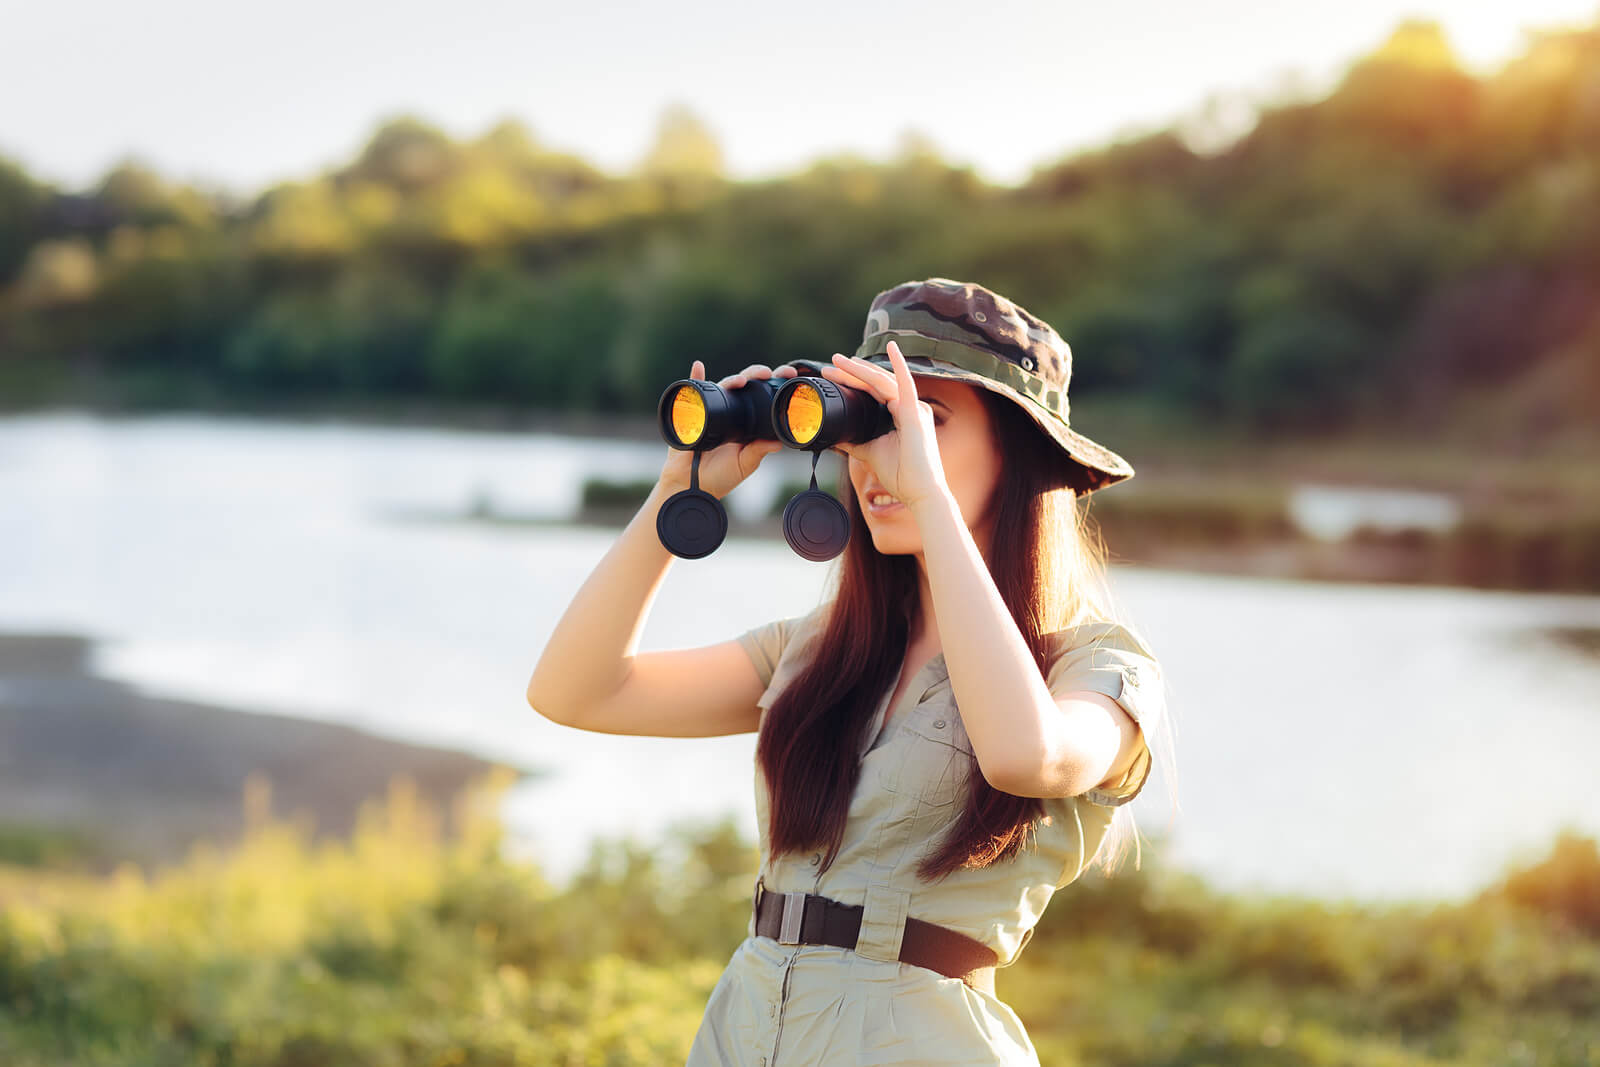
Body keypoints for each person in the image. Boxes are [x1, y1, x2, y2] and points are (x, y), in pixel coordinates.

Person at [528, 278, 1173, 1066]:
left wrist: (928, 499)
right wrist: (678, 488)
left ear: (1019, 451)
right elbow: (575, 690)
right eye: (864, 428)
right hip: (744, 1032)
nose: (878, 461)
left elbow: (1023, 753)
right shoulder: (819, 651)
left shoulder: (1097, 664)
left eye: (921, 425)